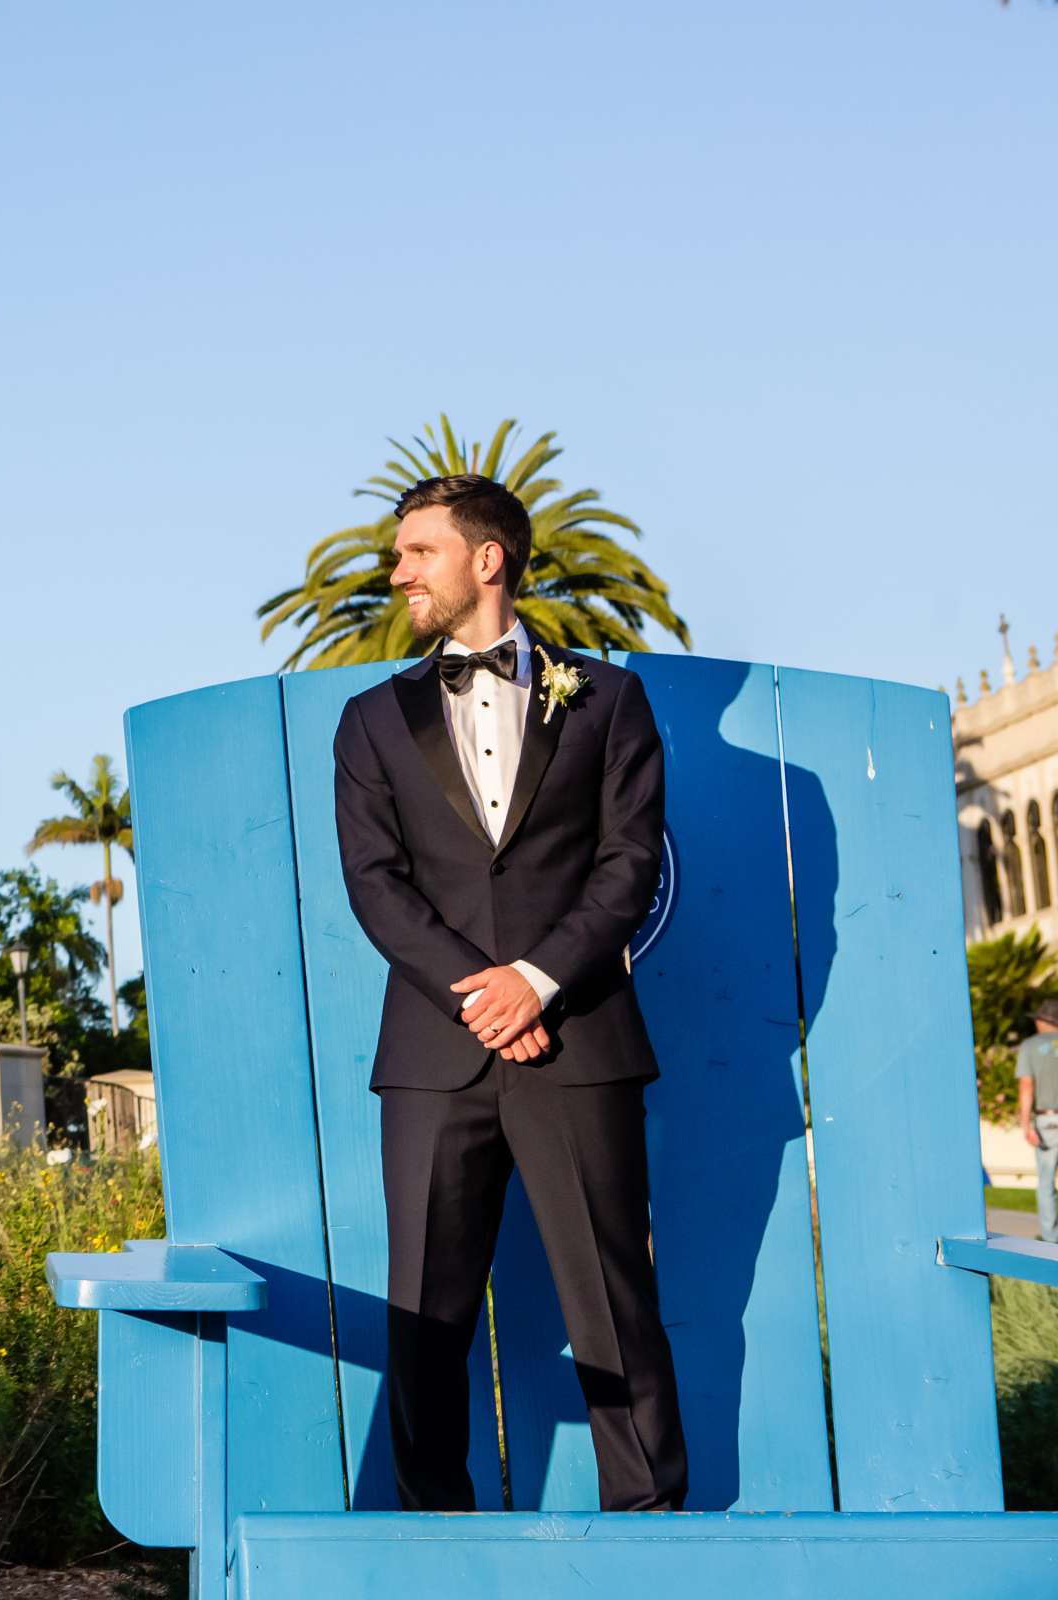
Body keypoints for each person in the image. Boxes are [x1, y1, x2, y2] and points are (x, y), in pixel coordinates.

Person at [331, 474, 688, 1513]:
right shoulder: (371, 722)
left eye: (418, 553)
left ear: (488, 559)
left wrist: (536, 982)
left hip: (580, 1046)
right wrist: (477, 998)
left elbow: (629, 864)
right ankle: (433, 1542)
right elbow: (375, 885)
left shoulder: (611, 700)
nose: (397, 572)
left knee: (615, 1302)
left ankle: (653, 1533)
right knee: (425, 1318)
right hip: (434, 1063)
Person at [1016, 997, 1058, 1243]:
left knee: (1045, 1183)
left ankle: (1052, 1244)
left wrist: (1025, 1124)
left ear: (1043, 1021)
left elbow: (1026, 1086)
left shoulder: (1030, 1046)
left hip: (1047, 1122)